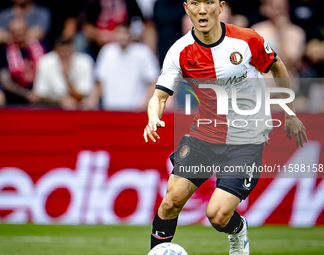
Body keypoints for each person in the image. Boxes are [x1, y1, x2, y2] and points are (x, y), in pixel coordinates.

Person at [143, 1, 308, 255]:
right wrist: (153, 116)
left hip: (246, 138)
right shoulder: (179, 51)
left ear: (220, 7)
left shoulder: (246, 40)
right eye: (195, 3)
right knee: (170, 201)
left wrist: (289, 113)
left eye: (208, 2)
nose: (202, 10)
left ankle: (238, 229)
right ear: (186, 8)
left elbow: (277, 66)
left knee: (217, 215)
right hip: (204, 135)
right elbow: (160, 96)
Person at [84, 22, 159, 111]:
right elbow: (99, 80)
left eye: (125, 33)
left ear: (131, 34)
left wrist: (145, 103)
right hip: (110, 108)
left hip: (136, 109)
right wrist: (93, 99)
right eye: (120, 33)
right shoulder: (107, 52)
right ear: (115, 34)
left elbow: (153, 81)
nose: (122, 36)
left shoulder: (143, 52)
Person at [33, 37, 94, 110]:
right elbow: (39, 95)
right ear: (55, 51)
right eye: (61, 52)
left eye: (67, 51)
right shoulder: (45, 62)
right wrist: (59, 101)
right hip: (52, 109)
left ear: (73, 49)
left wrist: (66, 77)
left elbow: (83, 95)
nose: (65, 55)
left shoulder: (85, 62)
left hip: (79, 109)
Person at [0, 17, 44, 105]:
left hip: (41, 98)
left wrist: (40, 92)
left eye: (21, 30)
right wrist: (26, 94)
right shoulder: (4, 52)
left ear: (27, 30)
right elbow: (4, 80)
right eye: (15, 31)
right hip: (15, 100)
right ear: (10, 33)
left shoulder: (41, 47)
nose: (19, 33)